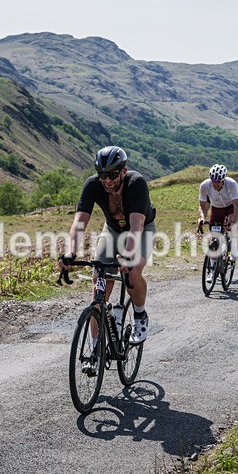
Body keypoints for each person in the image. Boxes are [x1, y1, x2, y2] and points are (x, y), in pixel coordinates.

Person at [58, 146, 157, 345]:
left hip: (141, 229)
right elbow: (79, 223)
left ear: (123, 172)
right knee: (99, 285)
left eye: (112, 175)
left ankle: (140, 315)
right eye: (102, 175)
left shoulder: (136, 184)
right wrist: (70, 252)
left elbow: (136, 226)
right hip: (112, 230)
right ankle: (95, 348)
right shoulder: (93, 185)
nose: (107, 180)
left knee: (132, 272)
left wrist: (128, 256)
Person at [198, 164, 238, 283]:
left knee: (231, 225)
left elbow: (236, 206)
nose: (216, 185)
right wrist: (201, 217)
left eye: (218, 182)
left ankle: (234, 247)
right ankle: (211, 271)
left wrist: (233, 222)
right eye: (213, 182)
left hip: (230, 208)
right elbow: (203, 207)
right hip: (216, 210)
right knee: (213, 239)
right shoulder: (205, 186)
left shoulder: (231, 184)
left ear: (223, 180)